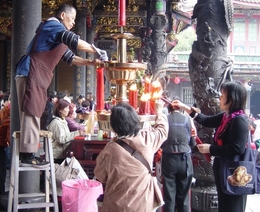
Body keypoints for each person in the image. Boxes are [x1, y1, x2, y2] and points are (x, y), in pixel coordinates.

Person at [15, 3, 107, 166]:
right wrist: (95, 50)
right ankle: (27, 155)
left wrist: (92, 63)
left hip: (37, 74)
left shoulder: (57, 37)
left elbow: (71, 58)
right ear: (63, 15)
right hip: (30, 71)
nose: (73, 23)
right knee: (30, 110)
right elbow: (74, 40)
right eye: (71, 19)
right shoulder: (52, 25)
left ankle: (29, 153)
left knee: (34, 110)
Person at [172, 81, 249, 212]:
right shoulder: (226, 117)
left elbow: (237, 148)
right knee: (224, 204)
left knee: (233, 206)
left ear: (232, 99)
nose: (220, 98)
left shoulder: (239, 120)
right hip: (223, 168)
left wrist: (210, 149)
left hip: (235, 172)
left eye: (223, 95)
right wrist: (183, 107)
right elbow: (205, 120)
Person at [94, 101, 168, 212]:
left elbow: (100, 176)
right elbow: (162, 130)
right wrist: (159, 113)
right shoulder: (148, 140)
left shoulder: (110, 150)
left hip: (116, 206)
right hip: (144, 204)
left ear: (113, 127)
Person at [161, 97, 196, 212]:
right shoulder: (188, 120)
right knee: (184, 196)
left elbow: (160, 143)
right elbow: (192, 143)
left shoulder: (165, 119)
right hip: (184, 160)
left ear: (169, 108)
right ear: (181, 107)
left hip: (169, 160)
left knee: (169, 196)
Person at [47, 99, 80, 164]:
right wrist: (78, 133)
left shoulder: (63, 121)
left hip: (63, 153)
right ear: (60, 110)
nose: (68, 110)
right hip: (57, 156)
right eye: (67, 108)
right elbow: (61, 139)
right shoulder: (56, 123)